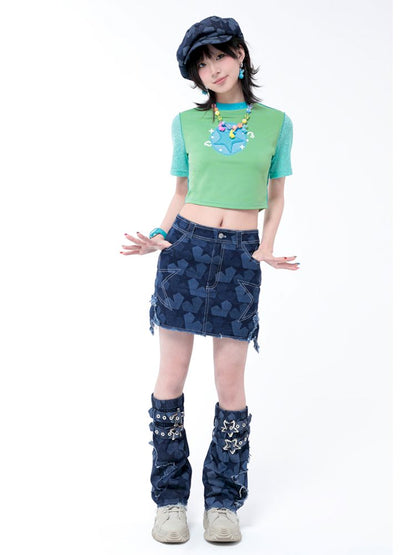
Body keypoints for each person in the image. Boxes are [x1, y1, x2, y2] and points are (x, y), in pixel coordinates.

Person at [120, 15, 299, 544]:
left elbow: (276, 195)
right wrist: (159, 235)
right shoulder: (186, 123)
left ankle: (223, 501)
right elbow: (181, 191)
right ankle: (170, 501)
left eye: (219, 56)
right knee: (171, 376)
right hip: (185, 249)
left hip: (241, 256)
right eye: (201, 64)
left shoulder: (277, 123)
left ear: (240, 54)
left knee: (230, 382)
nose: (212, 69)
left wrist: (266, 245)